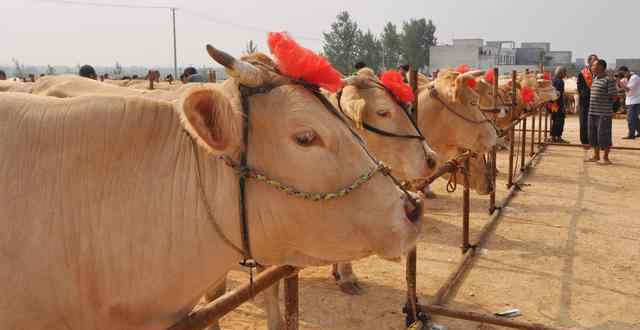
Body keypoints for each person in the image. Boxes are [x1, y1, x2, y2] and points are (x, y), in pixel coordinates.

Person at [587, 59, 618, 165]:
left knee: (604, 135)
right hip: (592, 112)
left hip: (603, 113)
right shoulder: (595, 78)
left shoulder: (609, 80)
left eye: (593, 65)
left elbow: (614, 97)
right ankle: (596, 156)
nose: (591, 67)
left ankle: (606, 158)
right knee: (593, 135)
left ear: (600, 67)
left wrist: (605, 100)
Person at [577, 54, 599, 146]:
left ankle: (594, 140)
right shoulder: (583, 74)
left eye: (597, 61)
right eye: (594, 61)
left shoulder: (599, 74)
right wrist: (589, 95)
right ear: (589, 62)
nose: (596, 63)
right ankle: (584, 140)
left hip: (596, 103)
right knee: (584, 121)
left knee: (595, 123)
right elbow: (580, 88)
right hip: (585, 102)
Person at [617, 66, 640, 139]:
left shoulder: (634, 77)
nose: (622, 75)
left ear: (627, 71)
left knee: (630, 118)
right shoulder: (626, 78)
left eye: (623, 73)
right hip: (629, 101)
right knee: (635, 118)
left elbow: (627, 89)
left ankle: (631, 134)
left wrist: (619, 82)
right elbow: (619, 89)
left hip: (635, 101)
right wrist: (618, 81)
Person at [551, 66, 569, 143]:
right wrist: (563, 106)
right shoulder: (560, 82)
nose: (565, 74)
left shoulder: (553, 80)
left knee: (555, 119)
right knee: (560, 120)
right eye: (564, 72)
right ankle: (558, 137)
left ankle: (553, 137)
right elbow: (559, 95)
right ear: (561, 73)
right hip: (558, 103)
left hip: (553, 103)